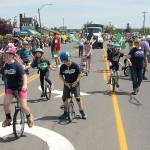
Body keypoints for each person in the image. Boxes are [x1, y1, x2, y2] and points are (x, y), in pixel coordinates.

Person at [2, 44, 33, 127]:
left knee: (23, 106)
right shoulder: (4, 66)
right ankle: (8, 118)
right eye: (4, 54)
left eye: (7, 54)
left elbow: (24, 76)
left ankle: (29, 116)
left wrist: (25, 85)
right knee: (6, 104)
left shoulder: (17, 65)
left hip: (20, 88)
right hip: (10, 88)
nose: (5, 56)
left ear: (12, 56)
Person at [59, 51, 87, 119]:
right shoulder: (62, 67)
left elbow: (79, 74)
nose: (66, 62)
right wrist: (65, 82)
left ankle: (82, 112)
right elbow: (60, 75)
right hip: (67, 83)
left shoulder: (75, 65)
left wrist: (76, 81)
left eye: (67, 60)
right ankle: (65, 113)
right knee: (64, 98)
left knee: (77, 98)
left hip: (75, 83)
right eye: (64, 61)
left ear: (69, 58)